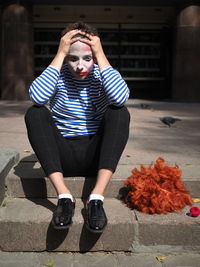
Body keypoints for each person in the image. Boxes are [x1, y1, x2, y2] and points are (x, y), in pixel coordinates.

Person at [25, 21, 130, 233]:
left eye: (87, 58)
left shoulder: (102, 74)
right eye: (73, 58)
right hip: (62, 157)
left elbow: (120, 98)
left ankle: (96, 199)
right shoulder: (58, 74)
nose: (80, 66)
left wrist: (100, 55)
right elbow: (37, 97)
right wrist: (60, 54)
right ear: (65, 55)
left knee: (119, 112)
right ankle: (64, 197)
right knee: (35, 112)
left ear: (95, 54)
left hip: (95, 156)